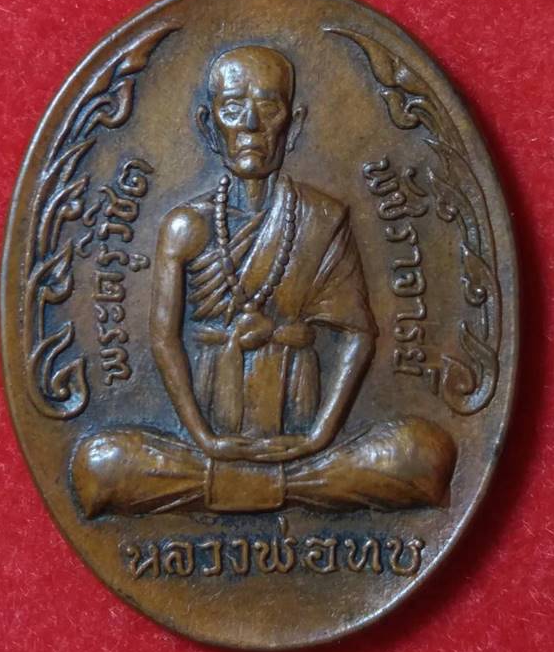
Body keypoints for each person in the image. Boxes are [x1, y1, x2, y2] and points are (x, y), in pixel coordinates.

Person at [73, 45, 455, 516]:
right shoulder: (185, 226)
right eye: (233, 108)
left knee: (421, 455)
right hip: (206, 429)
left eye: (268, 108)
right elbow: (164, 338)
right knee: (101, 464)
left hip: (300, 425)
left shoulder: (322, 218)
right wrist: (203, 436)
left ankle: (250, 485)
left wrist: (319, 435)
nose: (251, 125)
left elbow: (358, 335)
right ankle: (279, 486)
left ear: (293, 125)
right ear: (208, 125)